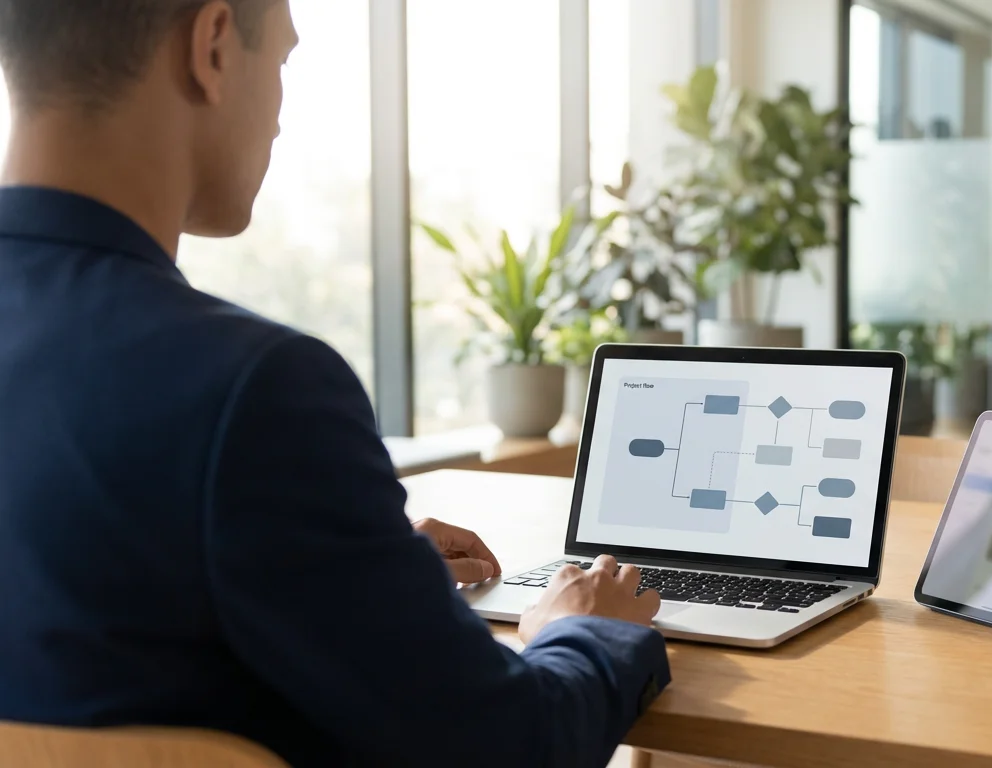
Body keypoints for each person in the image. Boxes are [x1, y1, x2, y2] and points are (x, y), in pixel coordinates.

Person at [0, 1, 667, 766]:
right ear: (212, 46)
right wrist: (585, 629)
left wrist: (355, 571)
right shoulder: (255, 391)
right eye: (283, 62)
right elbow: (512, 747)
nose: (281, 119)